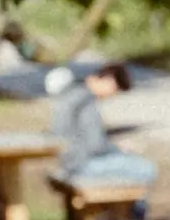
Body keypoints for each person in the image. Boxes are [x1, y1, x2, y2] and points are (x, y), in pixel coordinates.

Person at [41, 54, 158, 208]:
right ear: (108, 80)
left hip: (69, 161)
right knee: (146, 169)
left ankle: (122, 215)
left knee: (130, 168)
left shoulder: (74, 92)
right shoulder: (86, 101)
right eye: (115, 90)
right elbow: (96, 146)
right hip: (81, 164)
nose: (112, 95)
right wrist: (120, 149)